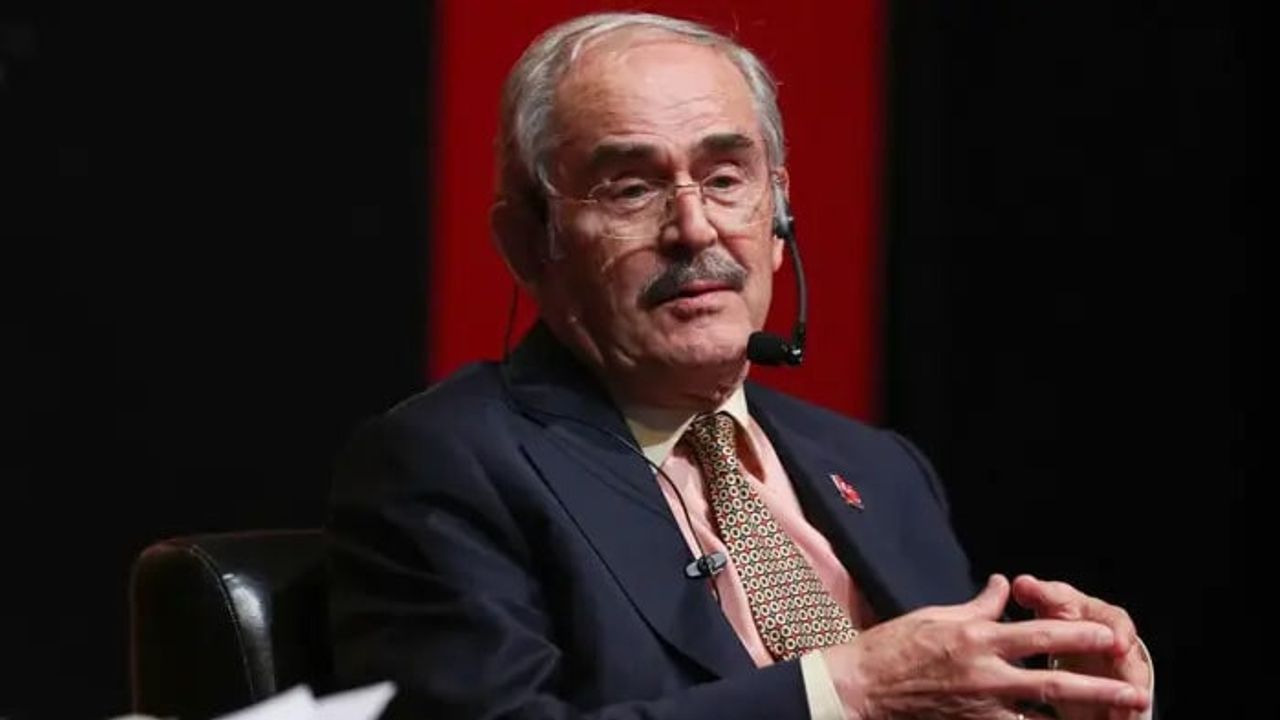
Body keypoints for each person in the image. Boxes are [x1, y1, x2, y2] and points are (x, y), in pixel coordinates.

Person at [327, 12, 1153, 720]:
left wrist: (1056, 697)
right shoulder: (450, 465)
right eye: (631, 189)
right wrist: (844, 691)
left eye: (726, 180)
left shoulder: (882, 470)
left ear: (778, 214)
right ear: (527, 242)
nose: (695, 229)